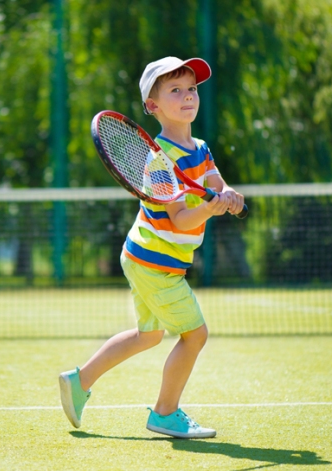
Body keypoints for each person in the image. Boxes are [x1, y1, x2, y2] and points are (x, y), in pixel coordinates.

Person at [59, 56, 245, 439]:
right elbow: (180, 218)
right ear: (153, 106)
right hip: (152, 261)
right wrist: (209, 210)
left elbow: (217, 181)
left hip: (153, 258)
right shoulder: (158, 163)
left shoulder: (202, 148)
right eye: (174, 90)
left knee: (149, 335)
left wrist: (228, 196)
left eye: (191, 88)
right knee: (195, 335)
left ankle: (79, 381)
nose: (187, 96)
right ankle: (165, 412)